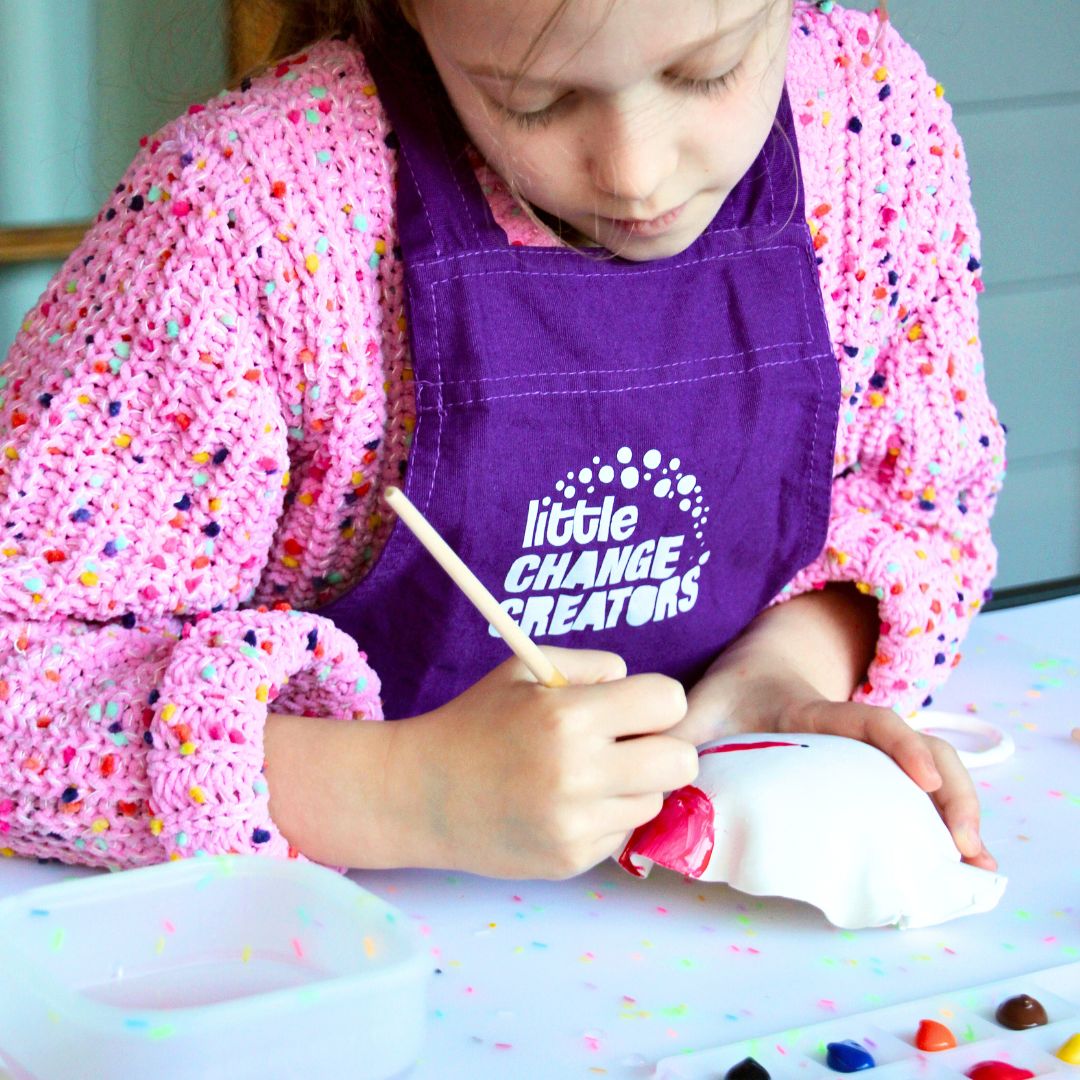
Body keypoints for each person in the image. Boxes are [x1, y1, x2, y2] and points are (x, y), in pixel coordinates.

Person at [0, 0, 1004, 881]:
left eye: (708, 69)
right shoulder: (248, 214)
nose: (637, 172)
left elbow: (924, 508)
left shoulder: (875, 134)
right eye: (534, 100)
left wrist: (783, 675)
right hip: (331, 971)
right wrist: (407, 791)